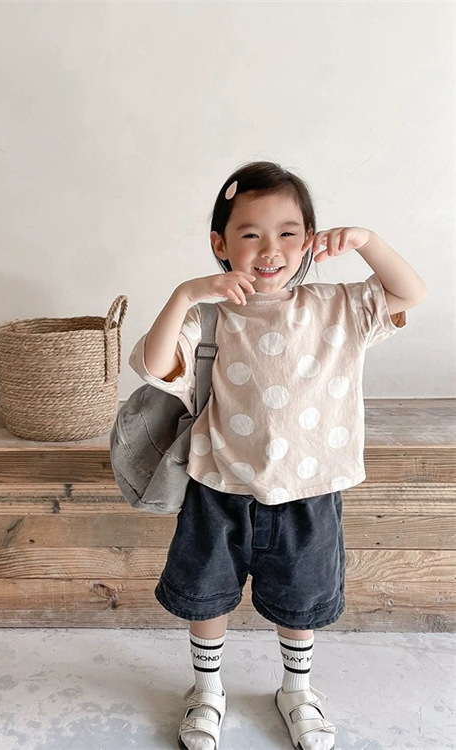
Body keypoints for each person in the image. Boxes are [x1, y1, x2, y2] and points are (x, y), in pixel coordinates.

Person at [128, 161, 428, 750]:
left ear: (311, 240)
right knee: (207, 595)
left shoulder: (339, 307)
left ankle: (297, 690)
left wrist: (366, 240)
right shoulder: (209, 314)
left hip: (310, 488)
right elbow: (154, 364)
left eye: (288, 233)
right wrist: (185, 294)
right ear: (220, 244)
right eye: (250, 233)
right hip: (218, 485)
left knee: (301, 601)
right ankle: (206, 691)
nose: (270, 249)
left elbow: (409, 292)